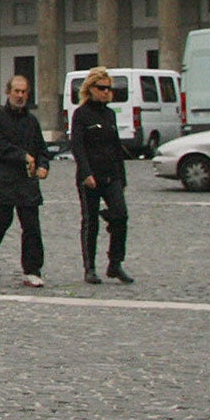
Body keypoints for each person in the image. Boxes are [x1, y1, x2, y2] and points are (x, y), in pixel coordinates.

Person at [0, 72, 49, 287]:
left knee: (32, 227)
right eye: (16, 91)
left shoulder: (31, 121)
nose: (20, 95)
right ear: (8, 92)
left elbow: (41, 149)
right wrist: (23, 156)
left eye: (24, 92)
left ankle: (32, 270)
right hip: (2, 182)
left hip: (26, 183)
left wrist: (44, 165)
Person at [67, 66, 133, 285]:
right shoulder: (81, 114)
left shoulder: (110, 114)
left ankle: (115, 263)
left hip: (111, 175)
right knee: (90, 222)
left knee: (121, 215)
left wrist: (121, 178)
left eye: (109, 88)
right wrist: (85, 172)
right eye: (102, 88)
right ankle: (90, 268)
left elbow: (116, 148)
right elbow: (77, 146)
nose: (106, 92)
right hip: (90, 177)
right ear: (91, 88)